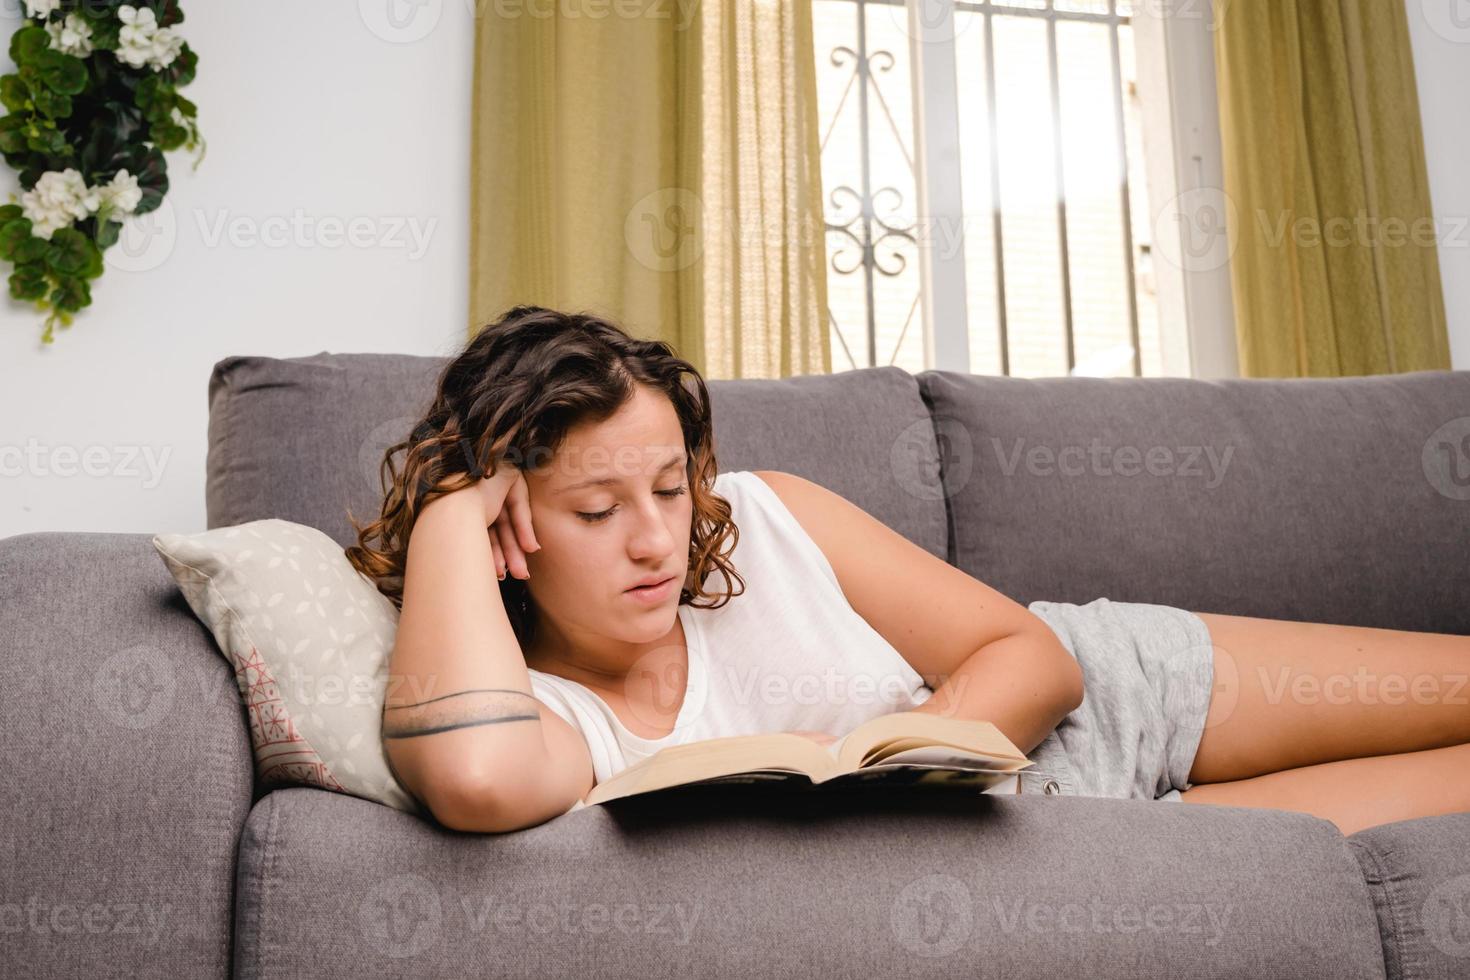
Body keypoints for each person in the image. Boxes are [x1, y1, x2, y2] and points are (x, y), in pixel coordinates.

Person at [345, 305, 1470, 835]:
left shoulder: (769, 515)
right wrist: (447, 518)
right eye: (597, 508)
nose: (658, 539)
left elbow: (1029, 654)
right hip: (1071, 842)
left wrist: (903, 755)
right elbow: (478, 782)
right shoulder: (544, 716)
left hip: (1113, 694)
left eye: (671, 488)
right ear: (510, 519)